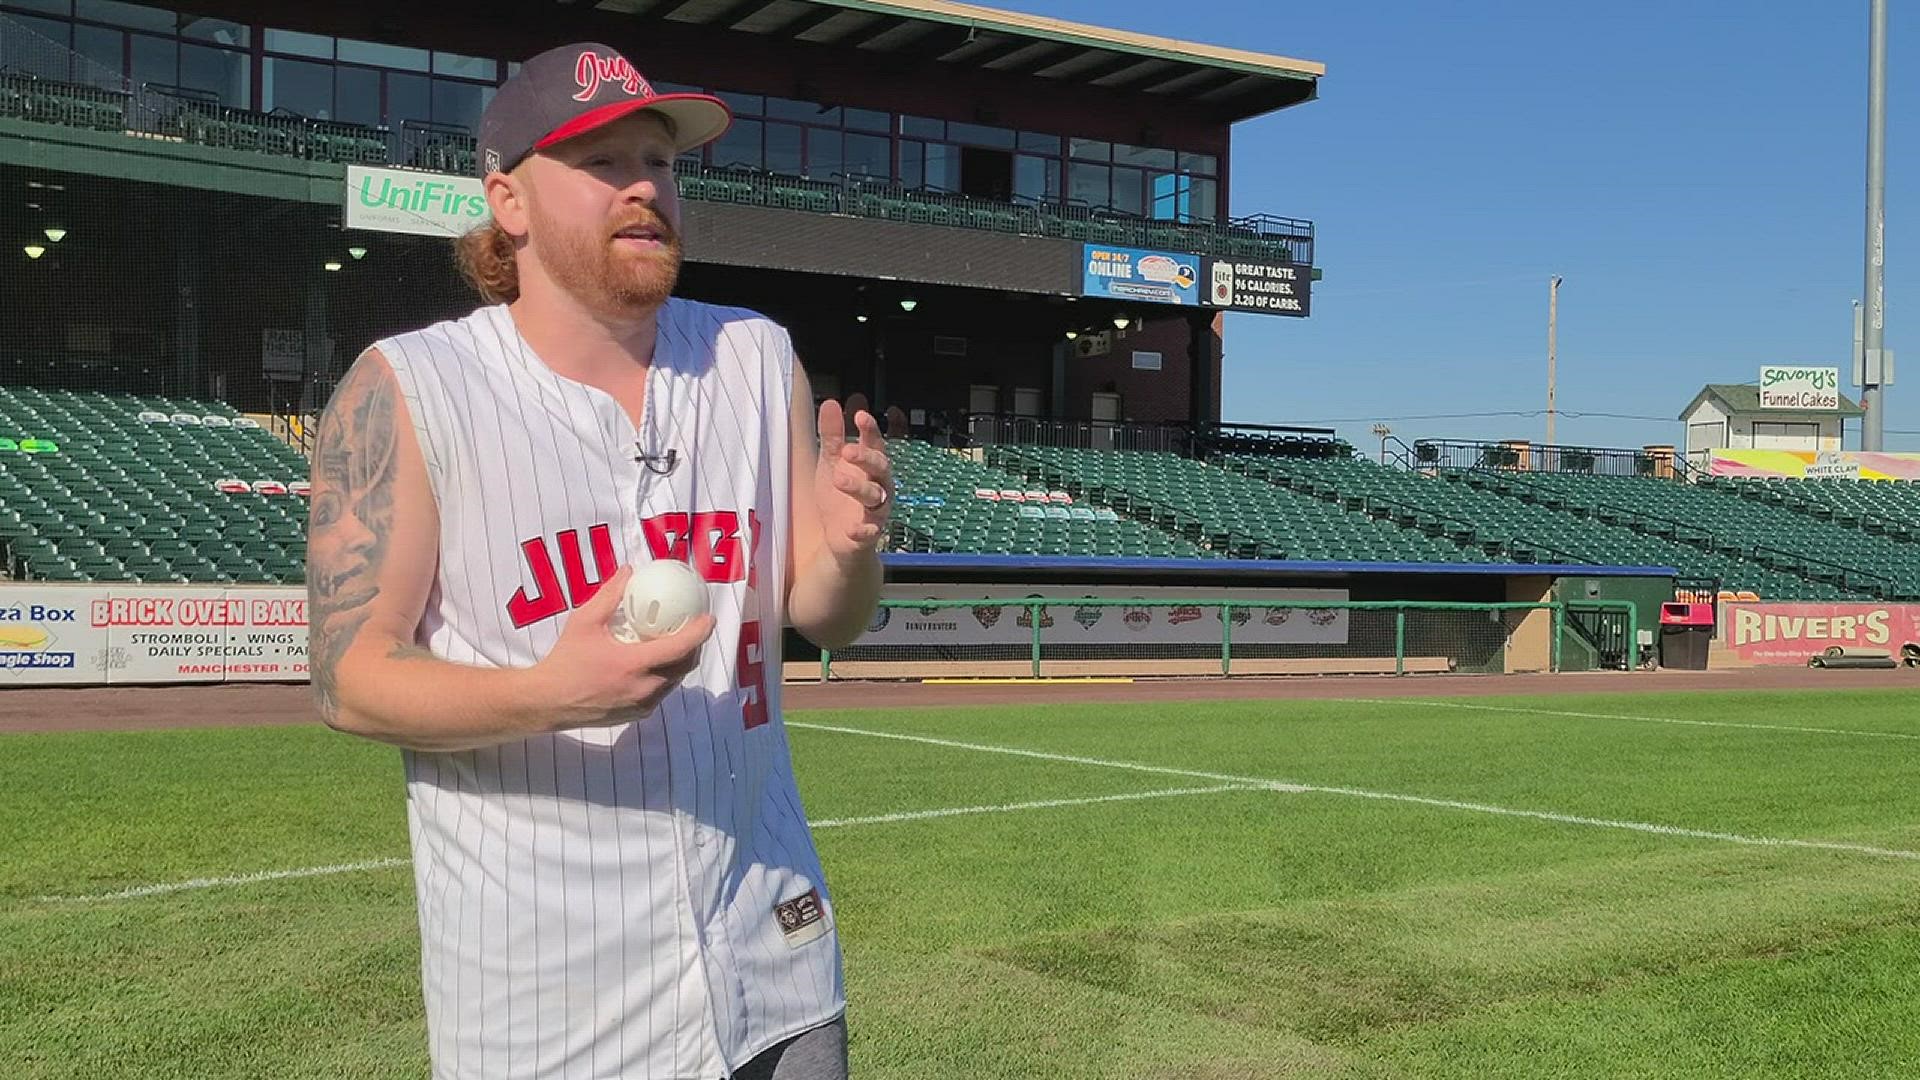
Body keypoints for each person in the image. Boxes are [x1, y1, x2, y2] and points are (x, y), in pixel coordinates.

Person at [304, 41, 890, 1080]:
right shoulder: (410, 386)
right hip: (550, 1013)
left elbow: (824, 616)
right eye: (602, 161)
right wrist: (550, 694)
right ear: (509, 201)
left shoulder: (756, 357)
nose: (644, 186)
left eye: (659, 161)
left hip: (774, 974)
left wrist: (849, 551)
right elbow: (351, 680)